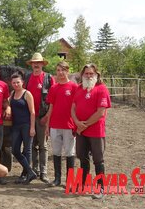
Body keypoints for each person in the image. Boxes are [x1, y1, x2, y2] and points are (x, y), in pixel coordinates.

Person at [71, 63, 111, 199]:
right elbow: (73, 108)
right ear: (82, 75)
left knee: (98, 160)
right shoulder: (79, 88)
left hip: (95, 131)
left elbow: (101, 112)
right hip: (81, 130)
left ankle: (101, 189)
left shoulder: (102, 89)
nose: (88, 76)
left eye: (91, 73)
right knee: (83, 157)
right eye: (86, 73)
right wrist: (77, 122)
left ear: (96, 74)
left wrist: (85, 124)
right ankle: (83, 185)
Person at [45, 61, 78, 187]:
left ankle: (70, 180)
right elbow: (51, 108)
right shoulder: (54, 88)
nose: (60, 73)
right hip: (55, 125)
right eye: (58, 70)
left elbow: (77, 107)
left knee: (69, 153)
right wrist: (48, 125)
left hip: (69, 125)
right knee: (56, 152)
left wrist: (76, 123)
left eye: (63, 70)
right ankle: (57, 178)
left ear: (67, 71)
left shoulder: (74, 87)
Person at [25, 52, 55, 183]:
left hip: (43, 116)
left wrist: (48, 117)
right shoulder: (27, 78)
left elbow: (53, 100)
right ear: (31, 65)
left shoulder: (48, 78)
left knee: (43, 145)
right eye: (34, 63)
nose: (36, 65)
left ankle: (44, 172)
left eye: (38, 63)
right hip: (29, 117)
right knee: (32, 145)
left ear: (42, 64)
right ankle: (35, 170)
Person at [9, 72, 37, 184]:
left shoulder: (27, 94)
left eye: (18, 82)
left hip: (26, 125)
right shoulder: (12, 94)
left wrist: (32, 128)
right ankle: (30, 172)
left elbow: (33, 112)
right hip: (16, 125)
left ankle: (25, 174)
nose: (16, 84)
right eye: (14, 83)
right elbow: (7, 104)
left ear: (22, 83)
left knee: (27, 150)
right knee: (15, 150)